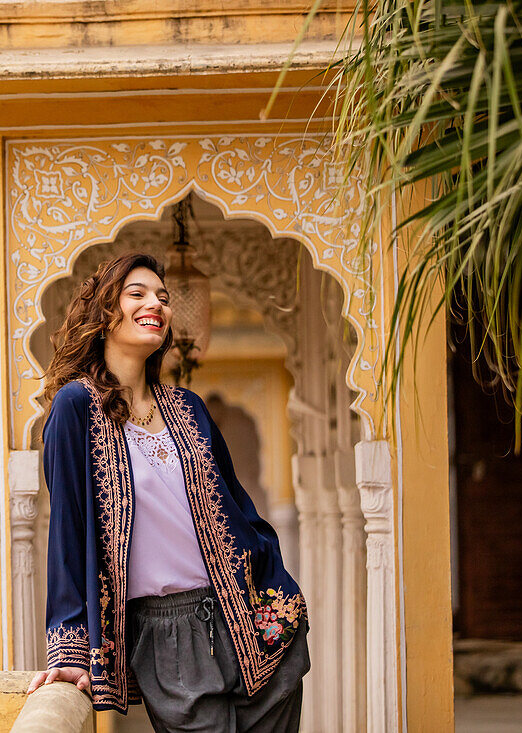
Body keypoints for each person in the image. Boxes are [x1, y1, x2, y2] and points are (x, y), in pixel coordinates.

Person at [25, 253, 310, 732]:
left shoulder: (188, 408)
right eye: (136, 293)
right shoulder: (76, 407)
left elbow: (240, 508)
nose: (155, 303)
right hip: (167, 633)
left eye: (162, 296)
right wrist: (71, 649)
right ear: (103, 313)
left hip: (251, 616)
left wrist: (280, 586)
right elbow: (67, 532)